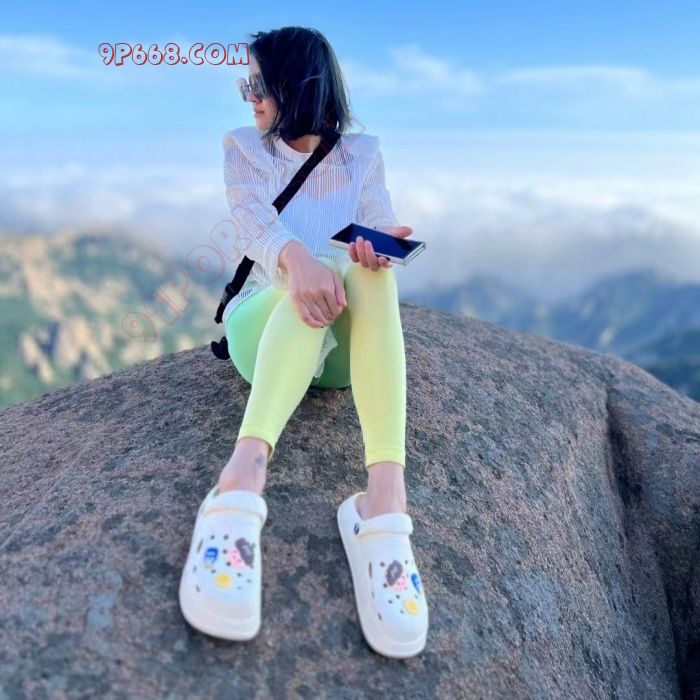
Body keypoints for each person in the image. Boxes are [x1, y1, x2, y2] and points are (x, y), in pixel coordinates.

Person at [179, 26, 428, 658]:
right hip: (263, 328)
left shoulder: (362, 155)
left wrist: (378, 249)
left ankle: (383, 500)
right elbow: (252, 224)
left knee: (372, 278)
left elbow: (376, 223)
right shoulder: (244, 148)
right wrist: (300, 261)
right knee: (305, 283)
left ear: (298, 85)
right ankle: (241, 480)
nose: (250, 99)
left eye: (259, 86)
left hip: (338, 354)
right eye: (247, 86)